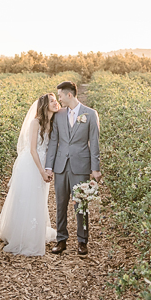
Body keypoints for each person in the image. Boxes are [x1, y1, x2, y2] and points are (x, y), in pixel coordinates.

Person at [0, 93, 59, 255]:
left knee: (39, 199)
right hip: (32, 164)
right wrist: (41, 171)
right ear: (45, 105)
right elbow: (32, 149)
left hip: (45, 164)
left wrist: (49, 169)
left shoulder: (53, 122)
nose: (55, 103)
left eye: (56, 100)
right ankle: (23, 236)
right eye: (52, 101)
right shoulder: (35, 123)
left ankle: (33, 231)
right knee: (28, 198)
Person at [44, 80, 101, 256]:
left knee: (80, 205)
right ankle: (61, 240)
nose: (58, 99)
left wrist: (95, 168)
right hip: (61, 165)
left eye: (60, 95)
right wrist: (49, 166)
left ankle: (82, 241)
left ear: (69, 95)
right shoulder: (59, 115)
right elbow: (54, 142)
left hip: (81, 165)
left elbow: (95, 142)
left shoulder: (90, 114)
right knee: (60, 204)